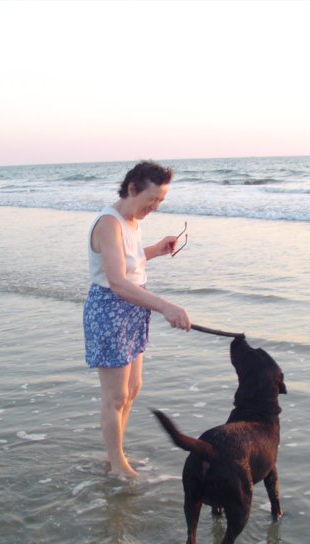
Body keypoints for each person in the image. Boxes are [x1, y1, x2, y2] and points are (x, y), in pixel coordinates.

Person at [83, 160, 191, 478]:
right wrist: (166, 307)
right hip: (110, 311)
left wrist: (155, 250)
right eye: (151, 200)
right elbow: (116, 281)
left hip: (132, 309)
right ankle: (117, 464)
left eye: (160, 201)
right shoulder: (109, 223)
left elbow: (127, 259)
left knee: (132, 388)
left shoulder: (131, 221)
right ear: (132, 188)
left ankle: (115, 455)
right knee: (115, 395)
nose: (155, 207)